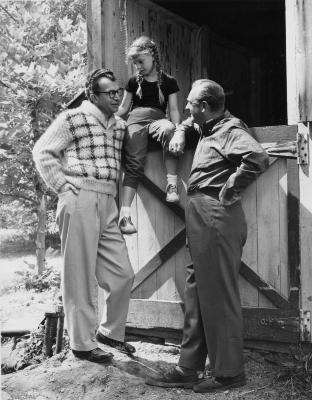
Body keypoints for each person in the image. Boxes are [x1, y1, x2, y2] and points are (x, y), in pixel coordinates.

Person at [146, 79, 269, 392]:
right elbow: (188, 121)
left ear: (204, 106)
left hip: (217, 215)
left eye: (190, 104)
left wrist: (230, 189)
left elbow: (257, 158)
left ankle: (229, 373)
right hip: (200, 216)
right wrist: (178, 129)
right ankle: (188, 367)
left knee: (219, 295)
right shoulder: (207, 126)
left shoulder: (229, 130)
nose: (185, 108)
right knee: (197, 293)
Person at [32, 68, 136, 363]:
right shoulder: (72, 118)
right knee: (79, 274)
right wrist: (63, 186)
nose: (117, 96)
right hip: (79, 198)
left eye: (118, 92)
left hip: (108, 202)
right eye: (110, 93)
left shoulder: (118, 125)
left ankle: (109, 333)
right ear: (93, 95)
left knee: (122, 274)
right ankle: (82, 343)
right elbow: (43, 151)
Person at [116, 36, 182, 234]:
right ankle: (125, 215)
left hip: (159, 119)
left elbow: (174, 110)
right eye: (135, 63)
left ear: (152, 56)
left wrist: (178, 130)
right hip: (135, 120)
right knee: (134, 163)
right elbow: (123, 109)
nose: (138, 66)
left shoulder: (169, 82)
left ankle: (172, 186)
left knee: (169, 130)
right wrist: (105, 117)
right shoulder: (132, 82)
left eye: (140, 61)